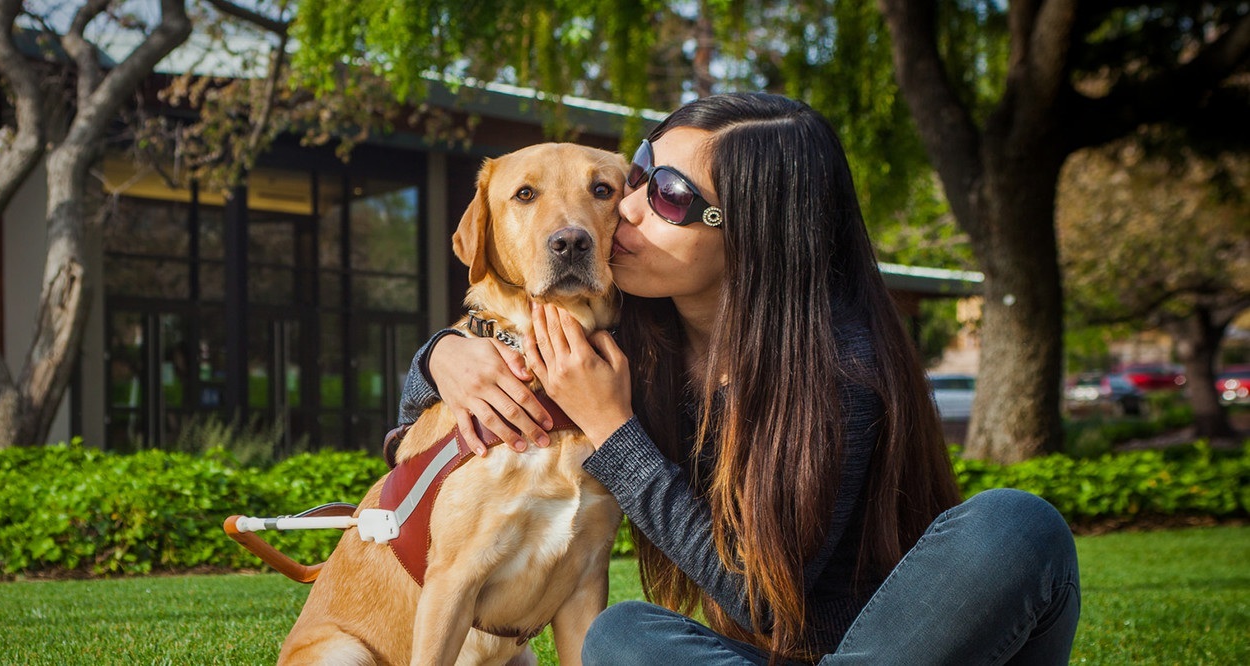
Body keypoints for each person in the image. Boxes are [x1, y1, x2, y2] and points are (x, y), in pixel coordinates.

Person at [399, 92, 1079, 664]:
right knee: (623, 635)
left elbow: (763, 600)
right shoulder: (630, 333)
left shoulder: (844, 365)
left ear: (751, 229)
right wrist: (443, 356)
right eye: (638, 176)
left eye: (669, 196)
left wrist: (613, 428)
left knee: (1014, 525)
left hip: (902, 648)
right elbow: (413, 433)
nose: (626, 210)